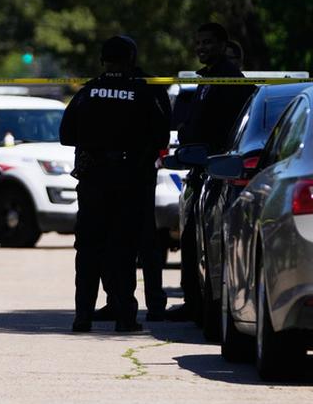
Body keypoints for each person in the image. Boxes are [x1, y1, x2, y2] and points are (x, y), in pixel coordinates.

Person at [61, 36, 170, 333]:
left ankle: (82, 316)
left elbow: (66, 134)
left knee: (88, 249)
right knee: (123, 249)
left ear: (102, 60)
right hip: (130, 179)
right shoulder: (143, 91)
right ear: (131, 59)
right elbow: (162, 136)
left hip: (93, 179)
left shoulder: (88, 91)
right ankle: (125, 317)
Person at [167, 22, 249, 322]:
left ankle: (203, 305)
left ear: (222, 44)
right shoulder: (209, 78)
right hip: (200, 169)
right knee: (191, 242)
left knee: (204, 242)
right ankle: (193, 302)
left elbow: (222, 127)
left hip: (217, 171)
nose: (201, 47)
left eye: (208, 42)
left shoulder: (228, 80)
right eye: (198, 42)